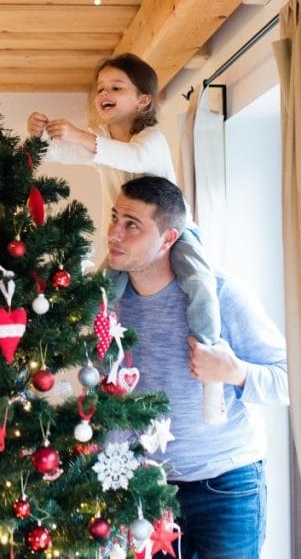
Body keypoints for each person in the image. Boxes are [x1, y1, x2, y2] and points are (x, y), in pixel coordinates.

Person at [27, 53, 227, 424]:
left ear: (143, 100)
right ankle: (103, 377)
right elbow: (65, 152)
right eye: (101, 88)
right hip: (126, 241)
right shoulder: (99, 139)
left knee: (201, 284)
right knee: (99, 296)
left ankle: (210, 365)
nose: (105, 93)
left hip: (174, 232)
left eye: (117, 87)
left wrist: (81, 136)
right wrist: (39, 136)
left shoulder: (151, 139)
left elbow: (130, 158)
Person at [106, 175, 289, 559]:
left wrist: (234, 372)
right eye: (114, 218)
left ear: (169, 238)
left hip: (225, 487)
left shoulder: (222, 294)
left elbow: (290, 380)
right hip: (146, 492)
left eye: (131, 224)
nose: (114, 234)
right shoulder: (105, 304)